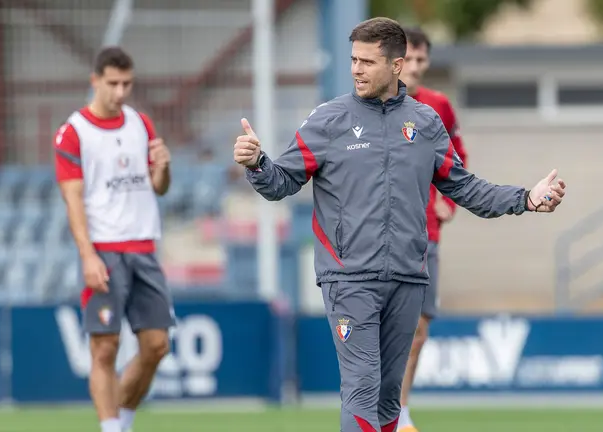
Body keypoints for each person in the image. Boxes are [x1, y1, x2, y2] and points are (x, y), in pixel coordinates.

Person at [233, 17, 566, 432]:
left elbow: (465, 188)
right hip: (348, 278)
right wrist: (258, 163)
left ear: (395, 65)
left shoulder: (425, 123)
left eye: (367, 62)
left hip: (409, 276)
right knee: (361, 388)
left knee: (390, 397)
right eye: (353, 59)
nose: (355, 69)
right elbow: (281, 182)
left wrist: (525, 199)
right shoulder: (328, 120)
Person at [54, 46, 175, 432]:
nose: (120, 92)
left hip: (144, 246)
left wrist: (164, 168)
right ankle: (112, 427)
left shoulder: (141, 123)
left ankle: (122, 420)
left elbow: (158, 187)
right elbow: (73, 200)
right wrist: (88, 257)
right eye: (113, 84)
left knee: (157, 346)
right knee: (104, 348)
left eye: (127, 84)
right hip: (105, 250)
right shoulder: (74, 132)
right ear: (95, 80)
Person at [396, 26, 465, 432]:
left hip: (426, 233)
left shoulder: (439, 106)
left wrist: (449, 200)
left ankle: (401, 411)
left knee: (418, 328)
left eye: (424, 60)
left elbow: (457, 159)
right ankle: (375, 404)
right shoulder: (373, 106)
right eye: (411, 59)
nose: (418, 67)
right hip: (380, 236)